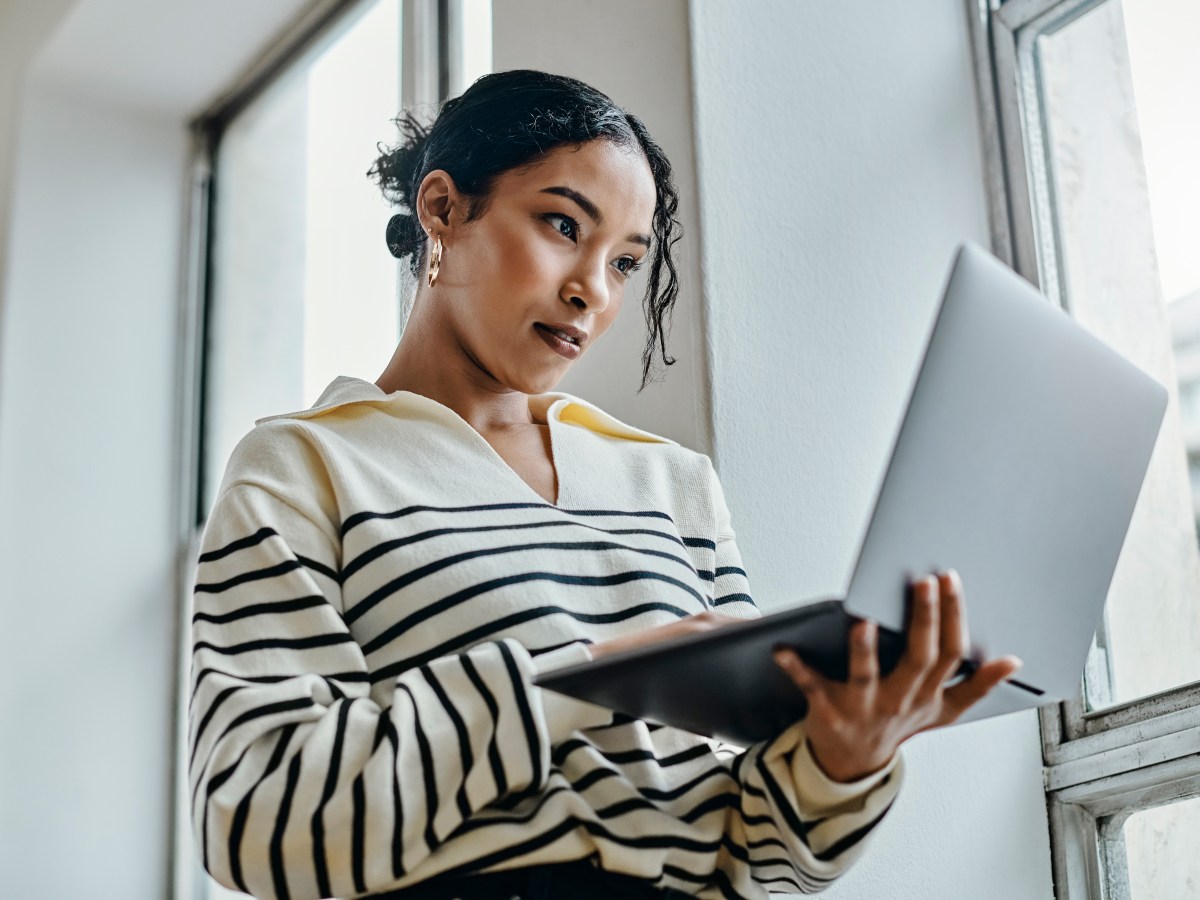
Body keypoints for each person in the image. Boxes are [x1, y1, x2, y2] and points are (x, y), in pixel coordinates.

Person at [187, 69, 1021, 900]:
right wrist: (586, 678)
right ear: (442, 209)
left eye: (625, 261)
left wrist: (844, 760)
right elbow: (256, 815)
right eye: (562, 225)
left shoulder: (672, 484)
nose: (593, 289)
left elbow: (757, 856)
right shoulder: (303, 469)